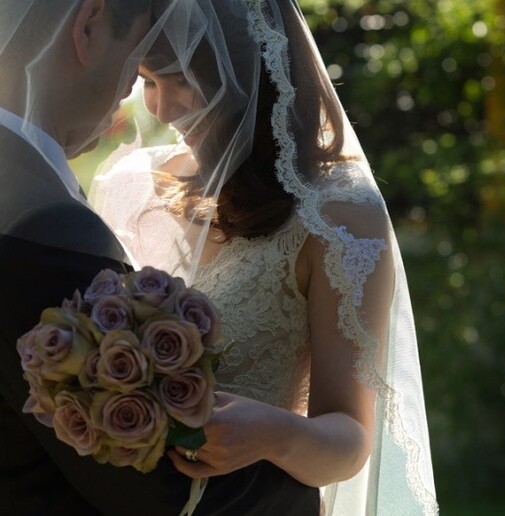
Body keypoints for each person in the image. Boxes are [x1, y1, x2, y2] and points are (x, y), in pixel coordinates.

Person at [91, 0, 439, 514]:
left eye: (181, 80)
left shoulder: (337, 216)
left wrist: (274, 435)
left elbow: (350, 439)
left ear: (250, 72)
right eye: (148, 81)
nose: (161, 109)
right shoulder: (130, 186)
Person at [0, 1, 320, 514]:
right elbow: (148, 487)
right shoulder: (45, 228)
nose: (135, 95)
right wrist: (305, 492)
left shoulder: (28, 195)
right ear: (88, 26)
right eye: (138, 64)